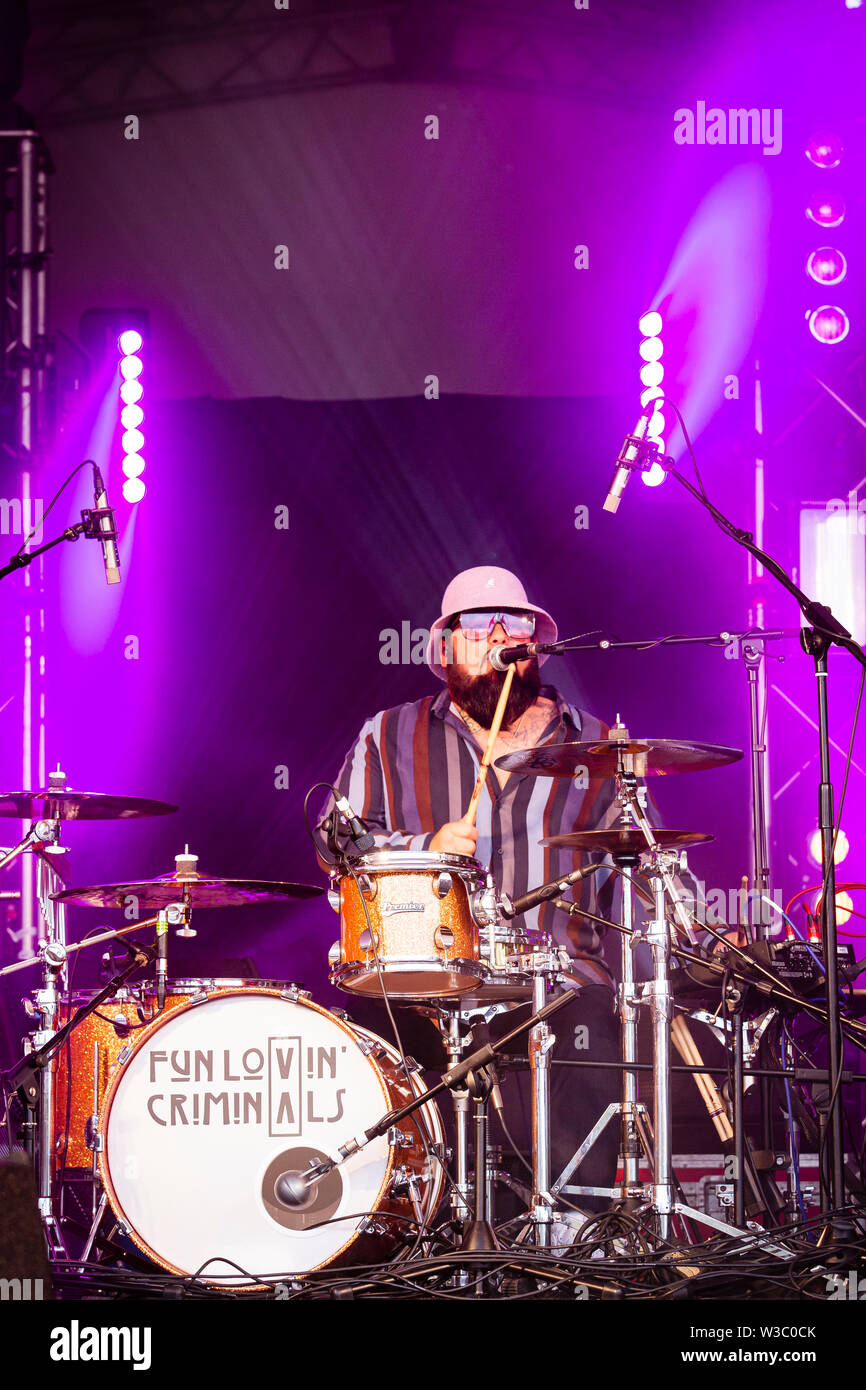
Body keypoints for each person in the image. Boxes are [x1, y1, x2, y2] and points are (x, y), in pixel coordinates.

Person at [315, 565, 627, 1211]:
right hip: (421, 975)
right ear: (445, 647)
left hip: (558, 977)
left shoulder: (596, 744)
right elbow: (335, 844)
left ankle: (575, 1232)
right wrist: (423, 849)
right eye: (476, 626)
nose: (496, 636)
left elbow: (637, 869)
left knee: (596, 1018)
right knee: (376, 1034)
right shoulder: (389, 734)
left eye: (514, 623)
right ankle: (423, 1223)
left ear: (536, 643)